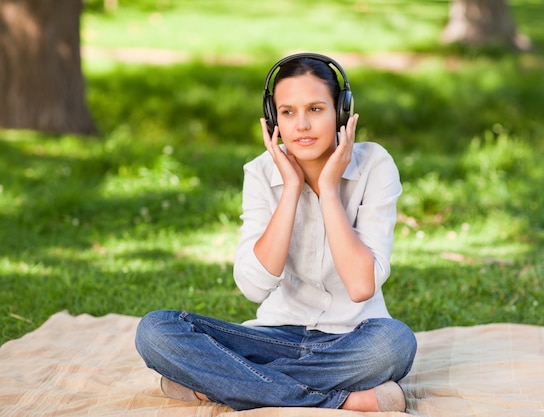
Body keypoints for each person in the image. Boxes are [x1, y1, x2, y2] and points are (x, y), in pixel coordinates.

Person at [135, 52, 418, 412]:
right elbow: (253, 288)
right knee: (156, 330)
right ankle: (343, 400)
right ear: (273, 120)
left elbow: (362, 287)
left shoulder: (375, 165)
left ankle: (219, 384)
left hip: (353, 338)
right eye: (287, 112)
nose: (301, 125)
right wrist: (290, 189)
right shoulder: (259, 173)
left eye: (315, 109)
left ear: (341, 113)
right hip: (273, 335)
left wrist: (329, 189)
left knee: (394, 344)